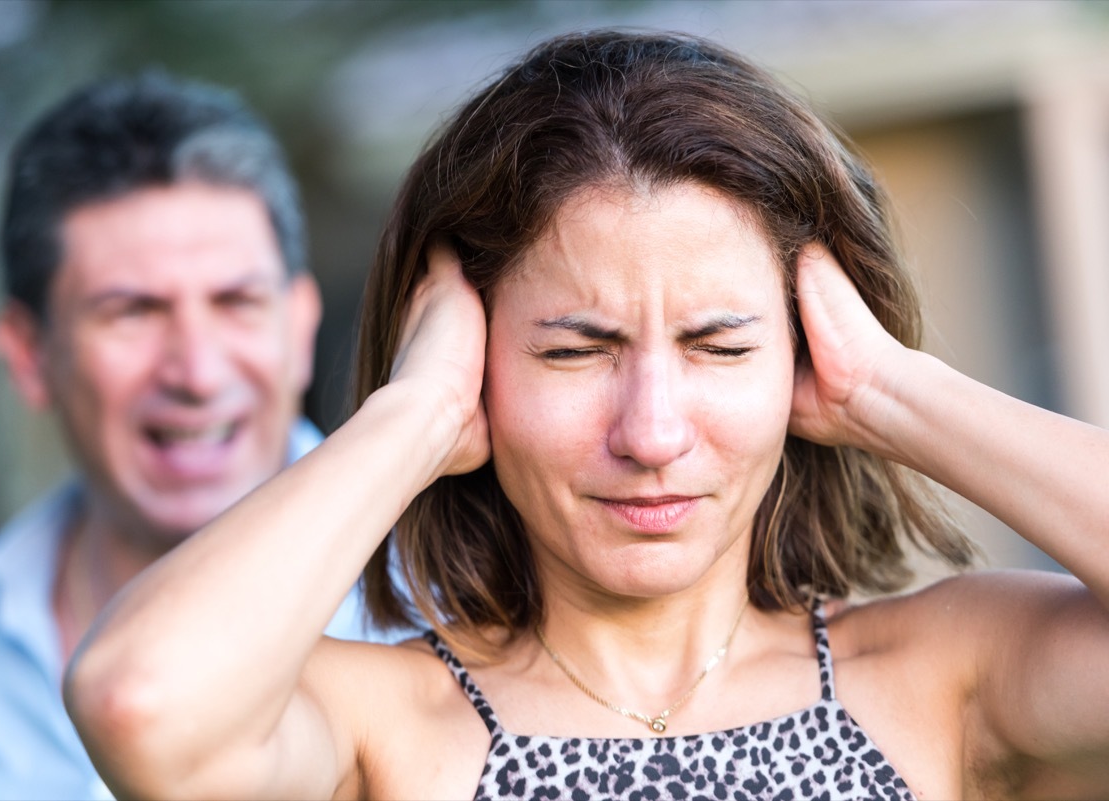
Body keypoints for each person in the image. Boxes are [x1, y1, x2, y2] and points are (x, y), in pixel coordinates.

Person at [65, 31, 1109, 801]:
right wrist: (412, 414)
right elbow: (143, 703)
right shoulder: (387, 727)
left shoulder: (944, 675)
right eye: (575, 352)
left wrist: (892, 390)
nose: (651, 435)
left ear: (801, 357)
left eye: (720, 347)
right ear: (477, 367)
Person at [0, 72, 403, 801]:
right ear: (28, 354)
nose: (198, 373)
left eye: (236, 300)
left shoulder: (456, 606)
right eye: (132, 310)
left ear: (299, 326)